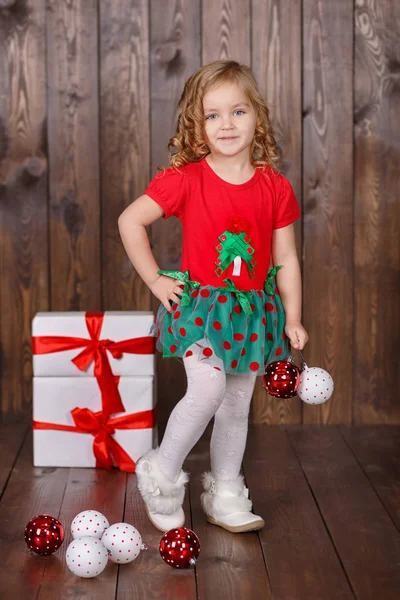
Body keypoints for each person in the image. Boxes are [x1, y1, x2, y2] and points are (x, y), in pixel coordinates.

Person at [118, 60, 309, 534]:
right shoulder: (187, 179)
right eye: (212, 115)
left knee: (237, 403)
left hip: (251, 314)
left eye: (238, 111)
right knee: (207, 389)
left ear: (257, 118)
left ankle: (225, 490)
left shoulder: (274, 187)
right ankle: (161, 471)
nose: (226, 124)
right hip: (203, 310)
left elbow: (286, 256)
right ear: (197, 126)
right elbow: (129, 221)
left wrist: (293, 317)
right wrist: (157, 282)